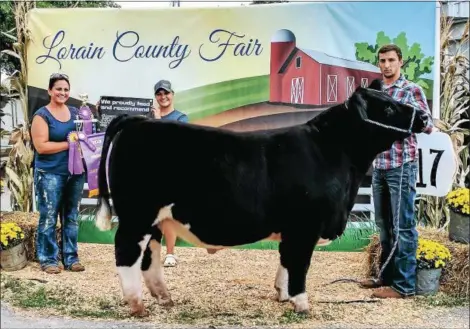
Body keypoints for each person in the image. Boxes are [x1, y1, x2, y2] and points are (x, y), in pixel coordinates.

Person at [359, 44, 434, 298]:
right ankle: (385, 277)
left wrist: (399, 122)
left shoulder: (411, 90)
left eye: (391, 60)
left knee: (404, 226)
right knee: (384, 226)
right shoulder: (375, 91)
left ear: (400, 62)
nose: (386, 65)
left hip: (402, 166)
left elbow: (428, 125)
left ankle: (404, 286)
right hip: (380, 166)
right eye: (382, 60)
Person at [31, 73, 86, 274]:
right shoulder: (41, 115)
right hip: (50, 173)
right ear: (50, 91)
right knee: (49, 217)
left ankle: (71, 258)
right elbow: (41, 146)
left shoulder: (75, 112)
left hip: (75, 172)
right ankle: (48, 259)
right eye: (58, 89)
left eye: (65, 89)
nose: (62, 92)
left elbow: (86, 134)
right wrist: (69, 143)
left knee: (71, 217)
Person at [150, 79, 188, 267]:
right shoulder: (148, 116)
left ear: (172, 94)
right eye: (159, 94)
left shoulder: (181, 118)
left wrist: (157, 120)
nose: (163, 97)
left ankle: (171, 253)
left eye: (166, 93)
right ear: (155, 96)